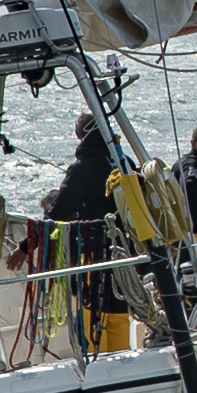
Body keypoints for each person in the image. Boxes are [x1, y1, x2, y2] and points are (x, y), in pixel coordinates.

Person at [43, 113, 131, 354]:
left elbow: (59, 210)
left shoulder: (85, 166)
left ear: (78, 136)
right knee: (119, 309)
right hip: (125, 253)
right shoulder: (123, 161)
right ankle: (123, 358)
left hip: (96, 255)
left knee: (94, 312)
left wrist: (26, 246)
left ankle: (99, 362)